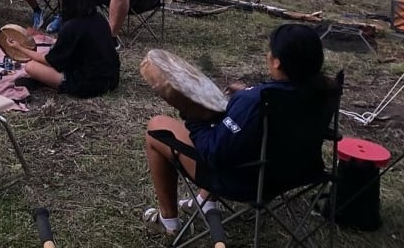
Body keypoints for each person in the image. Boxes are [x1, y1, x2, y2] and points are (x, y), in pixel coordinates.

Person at [141, 24, 329, 235]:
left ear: (277, 61)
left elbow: (214, 153)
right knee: (233, 133)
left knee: (156, 126)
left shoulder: (254, 101)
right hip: (295, 174)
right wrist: (244, 97)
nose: (268, 54)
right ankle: (203, 201)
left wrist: (193, 115)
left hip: (243, 182)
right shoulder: (324, 91)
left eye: (271, 50)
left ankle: (168, 222)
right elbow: (279, 108)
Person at [5, 0, 120, 98]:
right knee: (49, 56)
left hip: (89, 84)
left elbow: (49, 61)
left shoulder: (72, 26)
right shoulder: (99, 18)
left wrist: (19, 48)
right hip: (112, 78)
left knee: (31, 66)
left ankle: (50, 81)